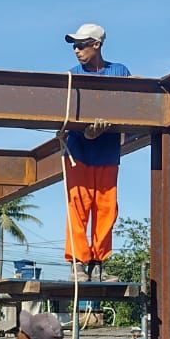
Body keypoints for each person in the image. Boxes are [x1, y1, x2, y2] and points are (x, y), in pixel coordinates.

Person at [62, 22, 131, 281]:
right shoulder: (71, 76)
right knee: (78, 205)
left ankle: (98, 262)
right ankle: (78, 262)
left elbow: (131, 107)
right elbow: (64, 116)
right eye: (74, 46)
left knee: (106, 207)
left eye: (81, 45)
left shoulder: (119, 72)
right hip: (77, 150)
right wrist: (85, 132)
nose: (76, 50)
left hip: (107, 150)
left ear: (96, 44)